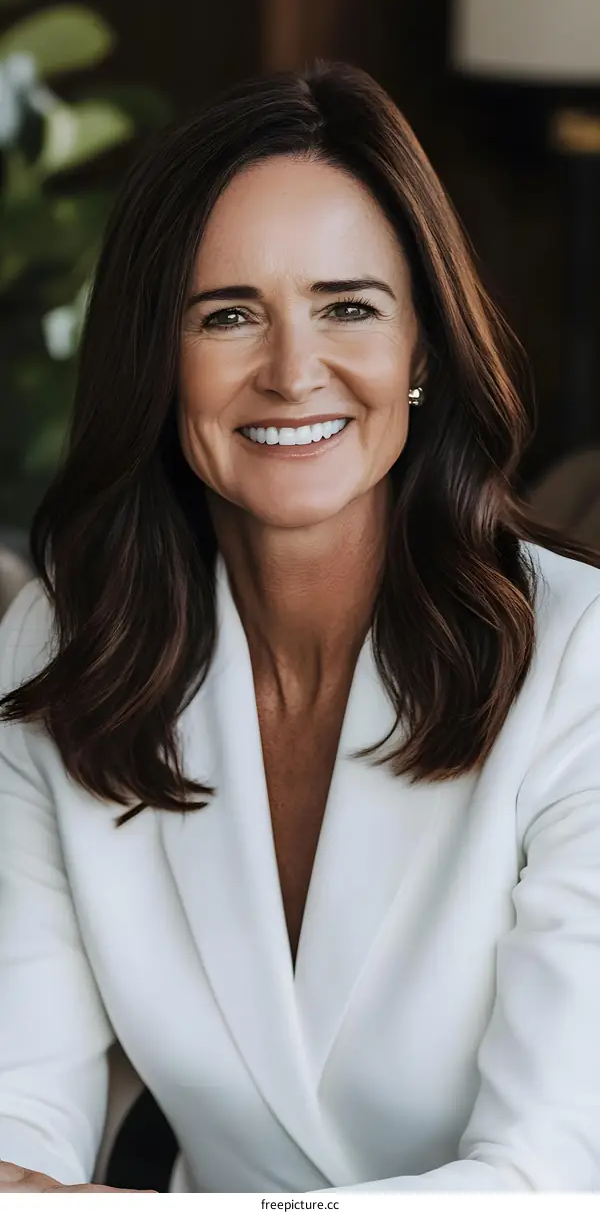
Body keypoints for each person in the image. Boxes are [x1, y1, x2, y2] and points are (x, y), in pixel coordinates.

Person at [1, 58, 600, 1195]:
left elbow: (544, 1183)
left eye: (348, 307)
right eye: (228, 314)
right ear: (156, 357)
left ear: (420, 348)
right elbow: (14, 1122)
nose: (291, 371)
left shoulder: (580, 663)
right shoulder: (65, 650)